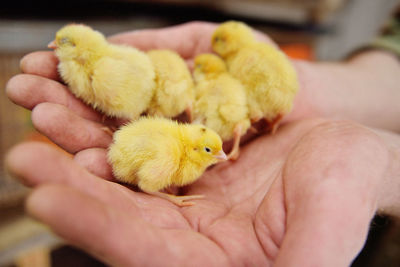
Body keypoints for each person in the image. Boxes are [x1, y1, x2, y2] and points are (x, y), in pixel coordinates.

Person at [4, 21, 400, 266]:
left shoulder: (191, 116)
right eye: (214, 151)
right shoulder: (180, 139)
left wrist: (385, 161)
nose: (221, 156)